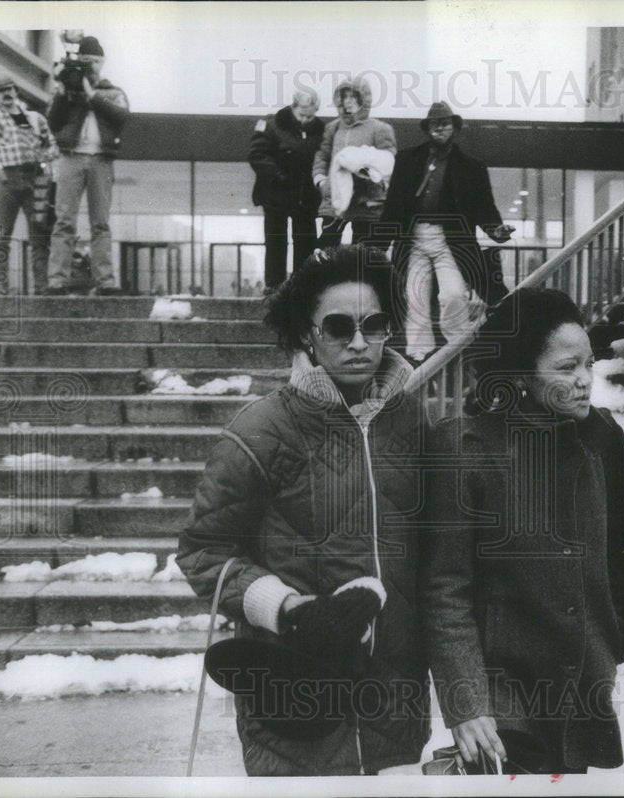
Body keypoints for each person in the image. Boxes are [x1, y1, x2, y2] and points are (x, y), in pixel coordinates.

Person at [177, 245, 431, 776]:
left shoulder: (413, 424)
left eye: (374, 324)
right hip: (296, 695)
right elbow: (203, 553)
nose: (359, 343)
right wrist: (288, 607)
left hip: (395, 702)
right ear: (307, 335)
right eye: (338, 328)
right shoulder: (260, 430)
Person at [423, 287, 624, 774]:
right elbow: (446, 590)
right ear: (520, 374)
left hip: (582, 682)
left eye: (589, 363)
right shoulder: (465, 448)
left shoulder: (604, 438)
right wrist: (466, 701)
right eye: (566, 368)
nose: (586, 380)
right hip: (502, 695)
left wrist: (614, 636)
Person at [377, 101, 515, 363]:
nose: (439, 128)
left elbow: (484, 206)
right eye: (434, 124)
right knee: (415, 296)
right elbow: (393, 205)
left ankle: (458, 351)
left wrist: (497, 230)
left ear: (455, 128)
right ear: (427, 128)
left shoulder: (470, 166)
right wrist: (378, 244)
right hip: (413, 238)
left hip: (450, 241)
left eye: (445, 123)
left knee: (452, 294)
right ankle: (418, 357)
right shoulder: (407, 160)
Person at [46, 35, 129, 295]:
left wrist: (92, 95)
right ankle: (57, 279)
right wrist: (63, 90)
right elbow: (53, 122)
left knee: (100, 222)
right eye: (84, 61)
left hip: (100, 160)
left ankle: (105, 281)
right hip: (71, 157)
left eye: (93, 61)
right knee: (64, 220)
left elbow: (121, 116)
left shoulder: (112, 91)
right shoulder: (66, 89)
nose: (89, 66)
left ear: (102, 62)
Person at [0, 73, 60, 295]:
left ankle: (42, 288)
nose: (7, 94)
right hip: (5, 179)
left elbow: (53, 147)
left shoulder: (36, 118)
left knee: (40, 236)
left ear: (16, 90)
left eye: (10, 88)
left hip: (36, 179)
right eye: (0, 91)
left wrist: (43, 158)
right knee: (0, 237)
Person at [249, 89, 325, 291]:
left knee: (306, 241)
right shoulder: (271, 125)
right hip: (276, 194)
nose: (306, 120)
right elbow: (257, 154)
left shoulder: (321, 130)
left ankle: (303, 285)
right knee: (275, 241)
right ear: (293, 108)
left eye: (310, 116)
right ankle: (274, 286)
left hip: (305, 196)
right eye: (302, 115)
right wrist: (278, 177)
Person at [312, 78, 396, 248]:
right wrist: (321, 180)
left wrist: (371, 177)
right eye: (345, 97)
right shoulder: (333, 128)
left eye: (353, 97)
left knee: (362, 254)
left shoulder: (380, 128)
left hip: (365, 202)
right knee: (326, 250)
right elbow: (322, 155)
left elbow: (388, 160)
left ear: (363, 100)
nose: (348, 101)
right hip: (335, 201)